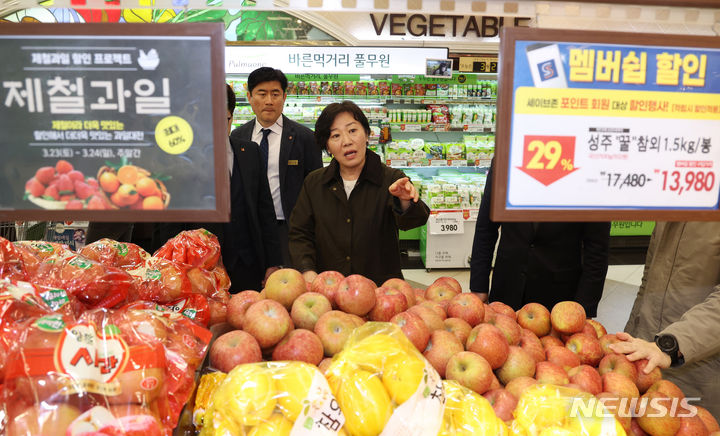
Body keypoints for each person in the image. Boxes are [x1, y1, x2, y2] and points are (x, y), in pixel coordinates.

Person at [153, 84, 281, 292]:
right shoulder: (177, 162)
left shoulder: (250, 152)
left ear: (231, 116)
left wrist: (273, 263)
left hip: (247, 266)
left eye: (223, 119)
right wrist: (172, 270)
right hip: (199, 271)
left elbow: (265, 210)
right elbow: (169, 225)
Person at [289, 101, 429, 286]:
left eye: (353, 130)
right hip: (330, 290)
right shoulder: (314, 183)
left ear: (367, 134)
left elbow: (416, 220)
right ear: (328, 147)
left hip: (381, 292)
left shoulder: (392, 179)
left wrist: (405, 202)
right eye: (336, 135)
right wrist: (308, 272)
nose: (346, 141)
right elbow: (300, 233)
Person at [469, 160, 611, 317]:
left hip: (559, 300)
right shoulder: (508, 155)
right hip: (506, 289)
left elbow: (597, 247)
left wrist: (585, 307)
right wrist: (478, 286)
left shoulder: (589, 164)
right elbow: (486, 227)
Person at [610, 222, 720, 419]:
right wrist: (632, 334)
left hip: (699, 368)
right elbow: (649, 280)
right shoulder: (676, 200)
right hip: (648, 360)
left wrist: (670, 345)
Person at [233, 67, 322, 265]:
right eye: (262, 94)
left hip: (290, 230)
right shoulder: (237, 137)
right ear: (249, 96)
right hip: (250, 230)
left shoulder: (305, 138)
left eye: (275, 94)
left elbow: (316, 189)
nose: (269, 101)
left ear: (284, 96)